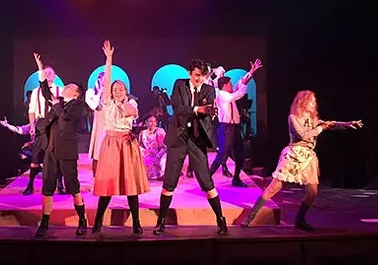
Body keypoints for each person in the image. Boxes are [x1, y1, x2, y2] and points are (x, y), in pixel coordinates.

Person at [241, 90, 363, 230]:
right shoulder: (293, 117)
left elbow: (331, 124)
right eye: (311, 101)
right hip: (294, 154)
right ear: (303, 101)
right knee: (274, 187)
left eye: (314, 102)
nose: (314, 104)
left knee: (312, 192)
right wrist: (320, 128)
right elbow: (303, 135)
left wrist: (347, 124)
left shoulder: (314, 120)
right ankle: (250, 217)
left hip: (308, 157)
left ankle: (300, 220)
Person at [153, 58, 228, 235]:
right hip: (178, 138)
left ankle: (220, 219)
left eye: (203, 76)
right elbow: (178, 109)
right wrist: (198, 109)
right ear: (189, 74)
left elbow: (209, 111)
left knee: (206, 181)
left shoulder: (209, 90)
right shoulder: (180, 85)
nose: (199, 79)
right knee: (170, 181)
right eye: (196, 75)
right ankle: (161, 221)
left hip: (197, 139)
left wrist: (206, 111)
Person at [92, 40, 150, 235]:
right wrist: (109, 59)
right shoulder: (106, 102)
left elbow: (131, 113)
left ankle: (136, 222)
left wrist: (124, 101)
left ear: (126, 91)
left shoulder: (130, 103)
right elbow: (107, 81)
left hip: (126, 144)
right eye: (115, 89)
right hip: (110, 144)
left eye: (121, 89)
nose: (117, 91)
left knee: (130, 185)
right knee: (108, 185)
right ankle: (98, 221)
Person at [34, 81, 88, 237]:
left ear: (76, 93)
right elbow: (46, 94)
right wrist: (41, 73)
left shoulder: (77, 105)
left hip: (67, 152)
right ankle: (45, 223)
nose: (66, 87)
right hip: (51, 150)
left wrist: (57, 105)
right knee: (47, 187)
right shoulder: (59, 102)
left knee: (73, 187)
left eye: (70, 87)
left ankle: (82, 220)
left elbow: (65, 117)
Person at [209, 59, 263, 186]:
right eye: (230, 84)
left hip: (235, 128)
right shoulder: (222, 95)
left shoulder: (229, 93)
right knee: (222, 155)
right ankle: (207, 179)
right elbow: (240, 93)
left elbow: (242, 82)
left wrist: (252, 71)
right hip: (226, 128)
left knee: (240, 154)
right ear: (225, 85)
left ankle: (236, 178)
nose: (232, 85)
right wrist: (242, 88)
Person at [24, 53, 65, 195]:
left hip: (56, 124)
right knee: (36, 156)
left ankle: (61, 184)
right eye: (45, 72)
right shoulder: (36, 91)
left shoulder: (61, 90)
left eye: (50, 73)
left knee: (57, 155)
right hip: (41, 124)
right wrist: (32, 126)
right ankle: (30, 184)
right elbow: (32, 110)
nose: (47, 75)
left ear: (55, 76)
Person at [85, 71, 106, 176]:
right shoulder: (91, 92)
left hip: (109, 124)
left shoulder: (111, 93)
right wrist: (100, 92)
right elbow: (93, 105)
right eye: (104, 79)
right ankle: (96, 177)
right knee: (97, 150)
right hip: (99, 124)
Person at [139, 115, 167, 180]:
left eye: (154, 121)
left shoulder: (159, 131)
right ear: (146, 123)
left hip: (158, 154)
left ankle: (161, 174)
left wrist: (157, 157)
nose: (152, 123)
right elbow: (141, 146)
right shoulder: (142, 133)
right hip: (147, 154)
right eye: (150, 121)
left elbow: (164, 148)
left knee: (163, 160)